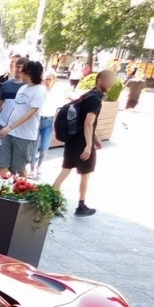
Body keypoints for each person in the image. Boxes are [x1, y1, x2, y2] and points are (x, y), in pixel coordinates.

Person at [52, 69, 114, 217]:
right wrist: (89, 145)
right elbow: (88, 123)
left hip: (72, 140)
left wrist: (96, 138)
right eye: (109, 80)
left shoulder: (87, 96)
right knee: (85, 175)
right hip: (82, 142)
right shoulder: (95, 100)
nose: (111, 84)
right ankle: (81, 205)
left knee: (65, 171)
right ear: (99, 81)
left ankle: (51, 200)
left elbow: (84, 122)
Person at [0, 60, 46, 175]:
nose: (20, 72)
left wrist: (10, 127)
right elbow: (16, 109)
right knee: (2, 166)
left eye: (23, 71)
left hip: (25, 136)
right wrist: (7, 127)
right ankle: (2, 189)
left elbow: (31, 113)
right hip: (10, 133)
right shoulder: (22, 88)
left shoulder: (40, 90)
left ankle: (21, 190)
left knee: (19, 168)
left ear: (30, 73)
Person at [0, 57, 26, 172]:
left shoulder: (29, 87)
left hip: (18, 127)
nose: (19, 69)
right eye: (17, 67)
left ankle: (6, 185)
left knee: (13, 161)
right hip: (2, 123)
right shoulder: (6, 85)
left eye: (22, 67)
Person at [32, 71, 67, 177]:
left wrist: (55, 124)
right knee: (33, 147)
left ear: (54, 81)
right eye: (45, 79)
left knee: (44, 147)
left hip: (49, 120)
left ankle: (40, 165)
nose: (47, 81)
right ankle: (32, 168)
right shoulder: (39, 91)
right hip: (38, 119)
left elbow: (59, 109)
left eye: (49, 79)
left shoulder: (56, 93)